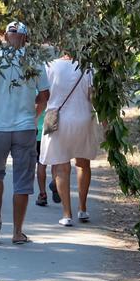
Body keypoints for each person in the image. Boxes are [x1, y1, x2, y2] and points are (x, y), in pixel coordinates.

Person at [0, 21, 49, 245]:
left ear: (5, 37)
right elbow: (44, 94)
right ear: (25, 38)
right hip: (24, 128)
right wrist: (35, 114)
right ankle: (17, 232)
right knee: (22, 181)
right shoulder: (34, 61)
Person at [39, 52, 100, 226]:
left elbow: (44, 95)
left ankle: (67, 214)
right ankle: (83, 208)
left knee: (60, 167)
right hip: (83, 119)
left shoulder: (49, 65)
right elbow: (92, 95)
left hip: (57, 120)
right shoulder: (88, 67)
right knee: (83, 164)